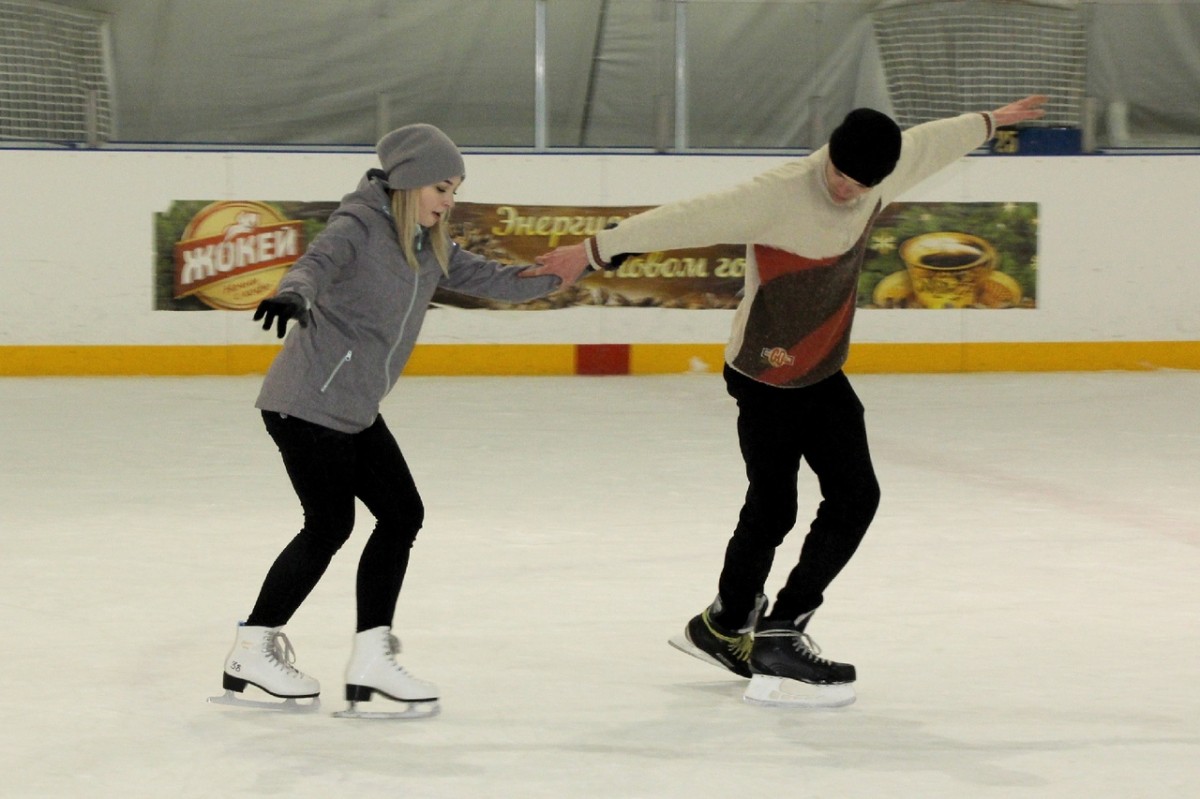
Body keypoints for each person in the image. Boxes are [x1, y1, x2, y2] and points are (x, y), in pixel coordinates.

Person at [527, 96, 1049, 707]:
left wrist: (992, 121)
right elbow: (685, 218)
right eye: (842, 176)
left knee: (856, 496)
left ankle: (760, 625)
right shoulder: (778, 193)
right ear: (829, 152)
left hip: (822, 371)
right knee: (774, 507)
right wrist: (589, 252)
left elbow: (932, 141)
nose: (850, 192)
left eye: (864, 185)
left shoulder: (881, 168)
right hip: (764, 375)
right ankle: (738, 626)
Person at [214, 123, 563, 718]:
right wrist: (294, 293)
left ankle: (371, 659)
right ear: (408, 181)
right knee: (329, 526)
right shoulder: (357, 225)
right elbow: (316, 265)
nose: (449, 202)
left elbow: (495, 280)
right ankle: (253, 645)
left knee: (401, 514)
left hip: (351, 406)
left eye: (454, 190)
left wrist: (572, 269)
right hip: (305, 403)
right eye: (442, 188)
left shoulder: (430, 244)